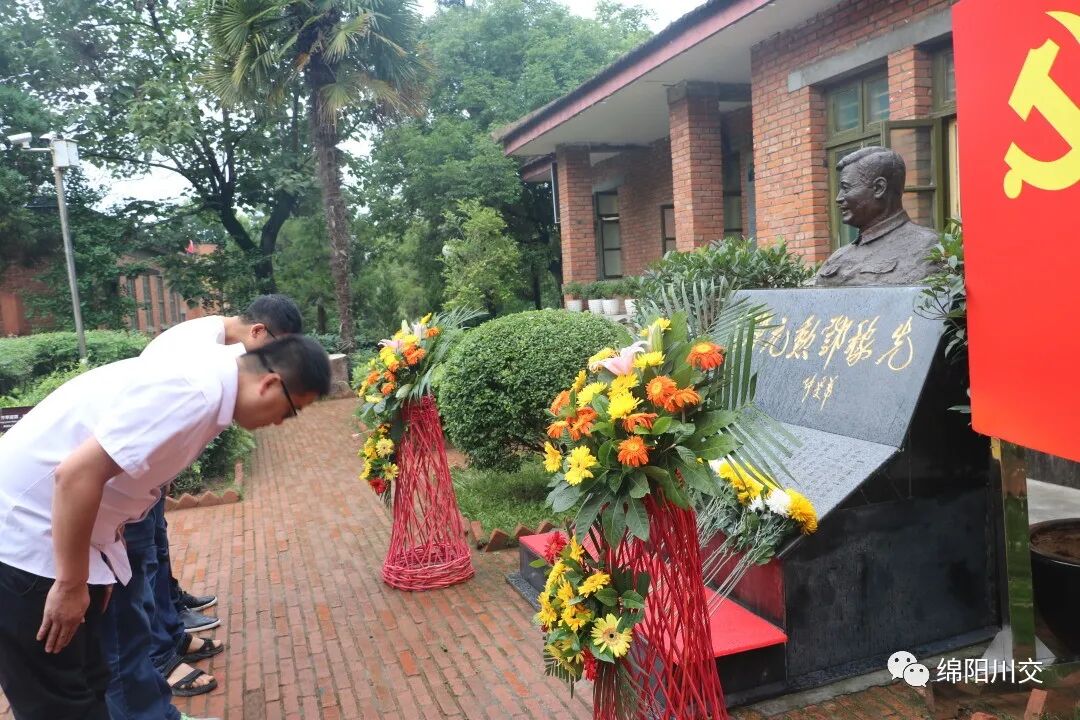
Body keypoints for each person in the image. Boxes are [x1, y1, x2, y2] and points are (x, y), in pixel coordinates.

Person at [0, 335, 330, 720]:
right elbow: (76, 475)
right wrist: (72, 582)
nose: (279, 422)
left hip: (62, 539)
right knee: (59, 705)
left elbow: (123, 483)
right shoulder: (193, 393)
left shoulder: (210, 386)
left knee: (92, 682)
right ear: (270, 383)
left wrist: (102, 563)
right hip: (25, 542)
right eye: (289, 411)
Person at [814, 146, 941, 286]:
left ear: (879, 188)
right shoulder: (838, 257)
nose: (839, 198)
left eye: (846, 188)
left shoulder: (930, 247)